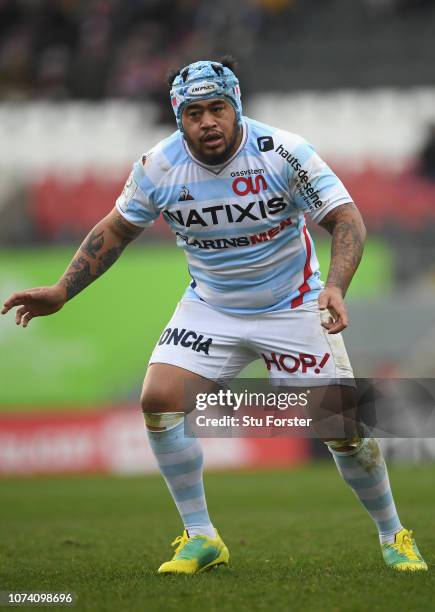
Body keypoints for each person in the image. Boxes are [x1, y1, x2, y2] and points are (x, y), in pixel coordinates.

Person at [2, 57, 427, 574]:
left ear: (236, 108)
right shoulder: (158, 165)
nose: (208, 122)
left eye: (218, 109)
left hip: (293, 305)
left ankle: (393, 534)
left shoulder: (283, 153)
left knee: (343, 429)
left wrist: (335, 287)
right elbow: (114, 230)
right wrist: (62, 290)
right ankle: (201, 536)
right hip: (212, 308)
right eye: (195, 112)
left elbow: (346, 219)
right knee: (159, 399)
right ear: (178, 118)